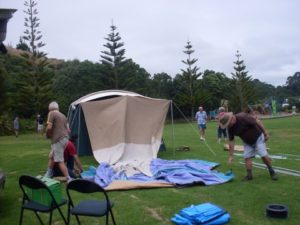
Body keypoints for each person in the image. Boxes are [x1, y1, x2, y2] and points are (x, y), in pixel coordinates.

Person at [218, 112, 278, 181]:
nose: (228, 126)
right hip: (247, 142)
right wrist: (231, 156)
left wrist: (265, 133)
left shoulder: (243, 117)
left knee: (263, 155)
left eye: (228, 124)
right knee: (247, 157)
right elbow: (231, 141)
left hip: (258, 137)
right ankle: (249, 175)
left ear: (232, 119)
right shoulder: (230, 128)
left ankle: (272, 171)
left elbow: (257, 121)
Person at [44, 101, 72, 182]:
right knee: (52, 156)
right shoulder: (63, 115)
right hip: (65, 139)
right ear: (58, 108)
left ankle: (68, 178)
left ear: (50, 108)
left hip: (58, 139)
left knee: (59, 160)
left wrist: (47, 135)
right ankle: (49, 173)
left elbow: (49, 127)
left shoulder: (51, 113)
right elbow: (69, 130)